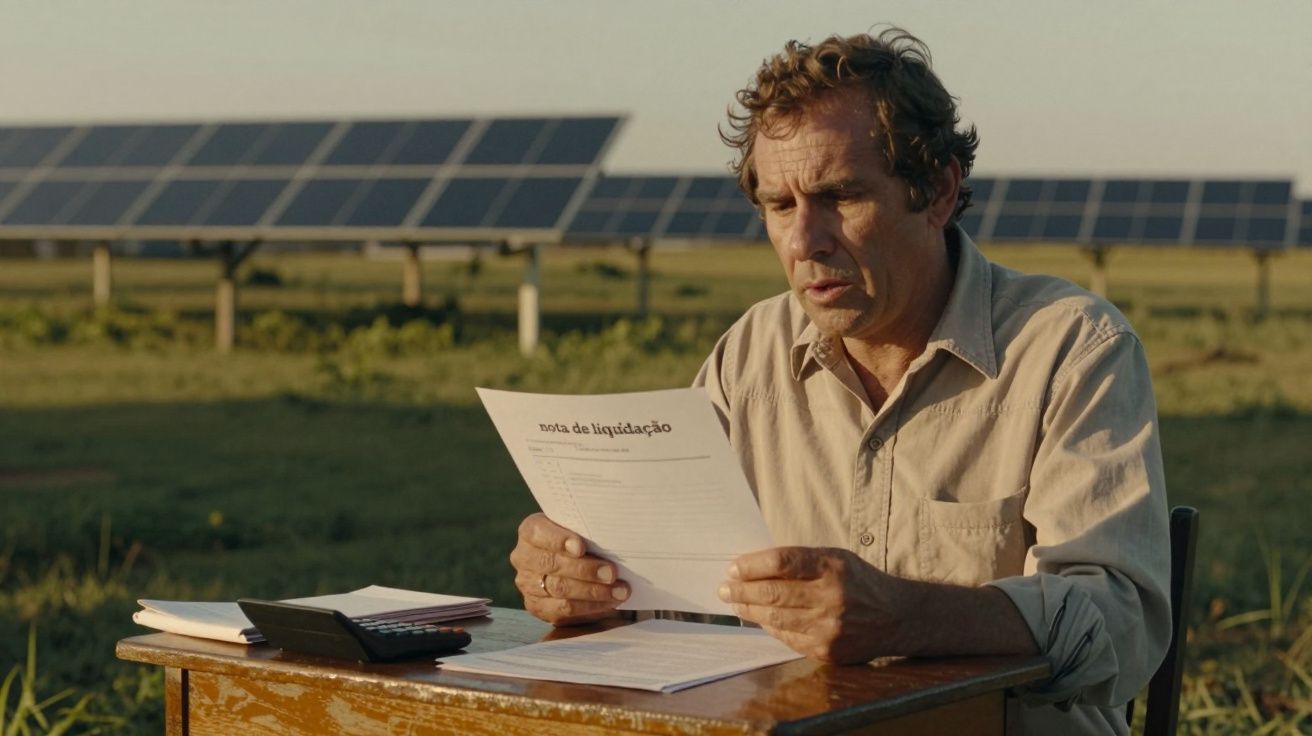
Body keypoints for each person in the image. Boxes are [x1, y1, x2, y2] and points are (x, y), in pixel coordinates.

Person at [510, 27, 1170, 735]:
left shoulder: (1070, 347)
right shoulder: (749, 356)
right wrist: (587, 581)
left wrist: (907, 616)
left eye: (840, 197)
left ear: (939, 190)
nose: (804, 242)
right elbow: (666, 594)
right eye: (780, 206)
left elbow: (1122, 628)